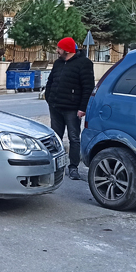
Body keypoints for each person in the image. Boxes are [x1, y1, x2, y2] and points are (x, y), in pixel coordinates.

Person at [45, 37, 95, 180]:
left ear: (66, 50)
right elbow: (50, 81)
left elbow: (87, 88)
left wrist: (82, 108)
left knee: (74, 138)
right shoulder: (58, 63)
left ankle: (73, 167)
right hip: (55, 106)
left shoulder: (84, 64)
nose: (57, 51)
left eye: (59, 48)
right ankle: (55, 166)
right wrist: (49, 98)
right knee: (55, 139)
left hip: (72, 109)